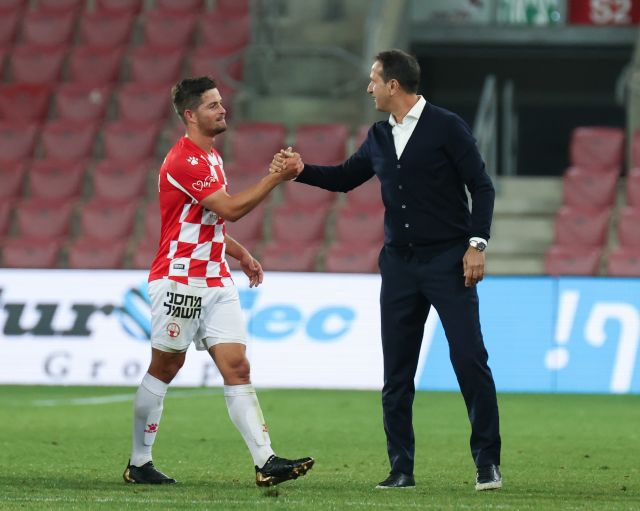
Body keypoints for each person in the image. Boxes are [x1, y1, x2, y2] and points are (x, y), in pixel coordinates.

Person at [272, 50, 501, 491]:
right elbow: (345, 178)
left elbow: (482, 186)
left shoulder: (447, 126)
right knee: (396, 374)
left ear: (393, 85)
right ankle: (401, 468)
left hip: (448, 262)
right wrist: (300, 172)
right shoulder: (379, 135)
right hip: (399, 266)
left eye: (374, 80)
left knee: (470, 360)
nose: (369, 88)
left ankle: (487, 462)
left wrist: (477, 243)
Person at [123, 76, 313, 487]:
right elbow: (230, 208)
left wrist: (240, 253)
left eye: (221, 102)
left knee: (237, 367)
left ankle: (266, 462)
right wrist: (275, 177)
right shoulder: (184, 161)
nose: (222, 109)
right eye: (212, 105)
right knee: (166, 366)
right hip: (180, 279)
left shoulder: (210, 157)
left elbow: (206, 221)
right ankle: (139, 462)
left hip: (216, 279)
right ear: (190, 115)